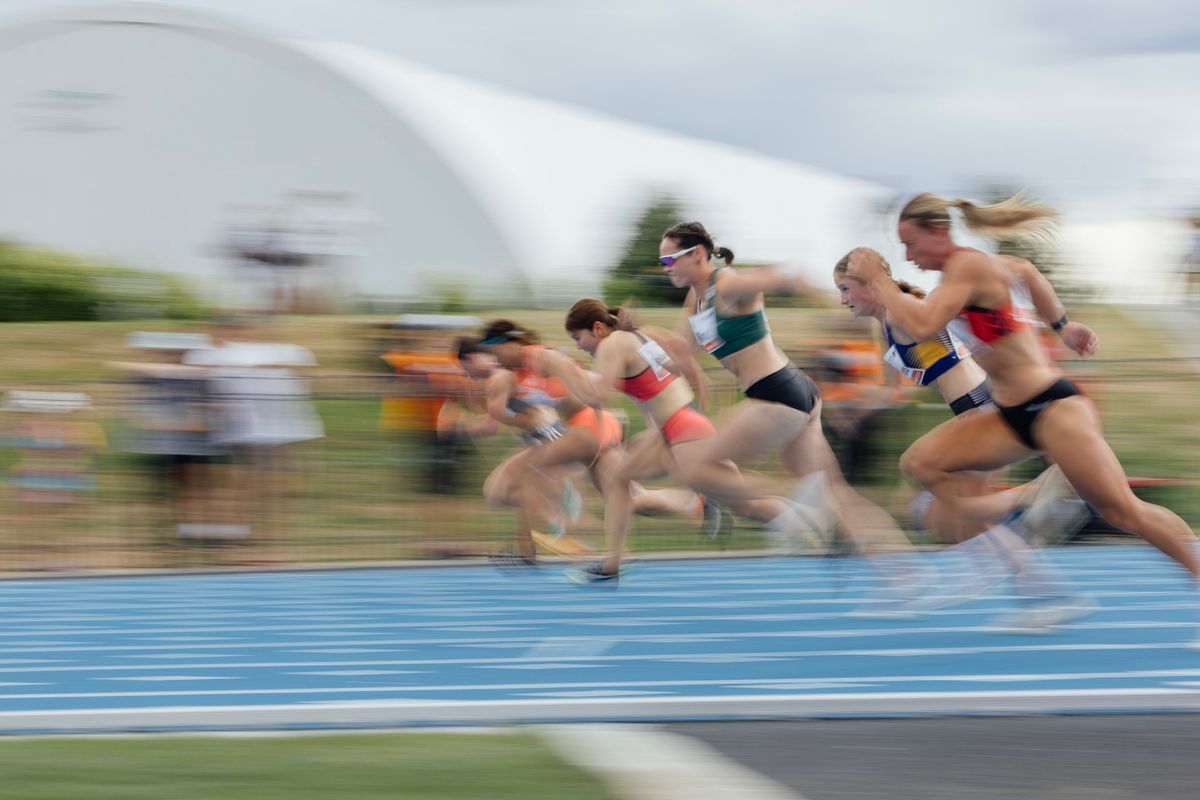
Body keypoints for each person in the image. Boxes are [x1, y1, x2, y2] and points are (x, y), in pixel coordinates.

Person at [844, 192, 1200, 628]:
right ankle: (1018, 509)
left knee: (1124, 512)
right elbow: (1026, 272)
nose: (907, 256)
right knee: (922, 464)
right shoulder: (973, 274)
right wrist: (1064, 326)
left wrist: (878, 280)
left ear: (938, 232)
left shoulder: (967, 266)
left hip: (1052, 408)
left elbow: (923, 325)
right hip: (1009, 418)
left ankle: (1022, 514)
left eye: (911, 244)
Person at [659, 221, 930, 608]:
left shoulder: (728, 284)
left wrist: (823, 298)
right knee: (839, 496)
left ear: (697, 254)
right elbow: (677, 356)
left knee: (693, 468)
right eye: (662, 260)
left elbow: (783, 274)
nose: (665, 266)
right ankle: (906, 575)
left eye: (670, 258)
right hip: (792, 391)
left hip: (777, 394)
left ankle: (798, 505)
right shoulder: (695, 300)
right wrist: (632, 345)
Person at [833, 248, 1090, 605]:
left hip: (981, 404)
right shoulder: (887, 325)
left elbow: (952, 324)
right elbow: (892, 391)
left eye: (846, 288)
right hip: (968, 407)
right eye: (839, 291)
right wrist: (855, 412)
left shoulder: (905, 312)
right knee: (937, 511)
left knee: (955, 510)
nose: (842, 299)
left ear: (871, 285)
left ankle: (1032, 505)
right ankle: (1035, 581)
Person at [559, 299, 789, 581]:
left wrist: (562, 369)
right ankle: (612, 563)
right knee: (619, 478)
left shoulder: (612, 344)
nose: (578, 345)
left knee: (745, 502)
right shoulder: (635, 335)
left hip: (682, 429)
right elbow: (676, 353)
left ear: (596, 328)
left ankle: (807, 504)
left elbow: (598, 396)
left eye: (577, 337)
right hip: (675, 427)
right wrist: (698, 381)